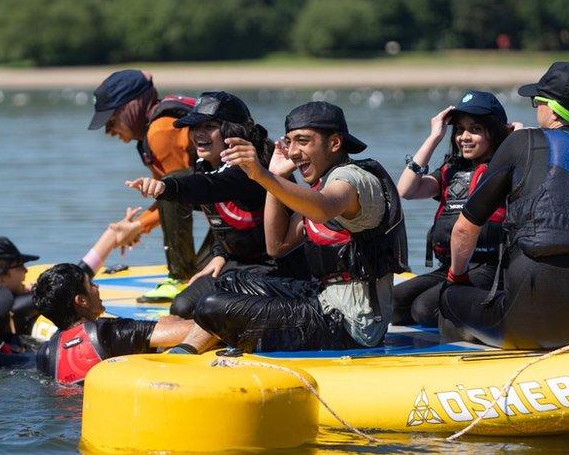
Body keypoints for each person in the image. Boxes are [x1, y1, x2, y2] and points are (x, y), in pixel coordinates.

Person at [169, 101, 409, 353]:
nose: (293, 152)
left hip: (353, 326)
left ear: (335, 143)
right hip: (323, 300)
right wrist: (277, 175)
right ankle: (189, 349)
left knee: (212, 305)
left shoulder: (354, 180)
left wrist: (262, 176)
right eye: (290, 141)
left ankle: (187, 349)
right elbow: (277, 245)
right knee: (228, 283)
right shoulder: (320, 185)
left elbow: (324, 207)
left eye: (303, 141)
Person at [439, 62, 569, 349]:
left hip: (522, 323)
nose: (536, 109)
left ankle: (469, 369)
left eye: (537, 102)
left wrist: (457, 277)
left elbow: (463, 230)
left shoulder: (521, 143)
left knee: (449, 296)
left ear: (552, 107)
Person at [124, 92, 308, 319]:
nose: (199, 134)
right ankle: (183, 275)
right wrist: (220, 254)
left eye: (209, 126)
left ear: (233, 132)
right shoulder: (205, 166)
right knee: (181, 307)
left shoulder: (252, 169)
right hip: (238, 262)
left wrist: (165, 187)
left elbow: (212, 186)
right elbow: (218, 213)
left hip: (277, 271)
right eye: (195, 127)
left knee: (210, 308)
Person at [391, 91, 512, 327]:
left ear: (495, 132)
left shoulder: (506, 169)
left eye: (475, 129)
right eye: (459, 129)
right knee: (393, 304)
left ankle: (497, 310)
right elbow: (406, 190)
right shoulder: (451, 171)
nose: (464, 137)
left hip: (489, 268)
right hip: (452, 267)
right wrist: (435, 136)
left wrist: (519, 136)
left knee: (424, 309)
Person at [88, 69, 210, 302]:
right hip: (235, 200)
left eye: (111, 120)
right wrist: (138, 226)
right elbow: (175, 196)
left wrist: (139, 226)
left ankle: (180, 277)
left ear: (130, 107)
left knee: (197, 281)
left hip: (247, 203)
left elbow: (176, 192)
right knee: (203, 279)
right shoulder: (152, 133)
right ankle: (189, 277)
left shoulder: (161, 130)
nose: (108, 131)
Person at [32, 263, 202, 384]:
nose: (96, 287)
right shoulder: (109, 332)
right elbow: (192, 330)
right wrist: (172, 320)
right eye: (90, 284)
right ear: (81, 300)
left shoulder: (45, 353)